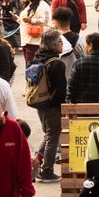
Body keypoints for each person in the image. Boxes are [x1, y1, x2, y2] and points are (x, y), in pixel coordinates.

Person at [32, 28, 67, 182]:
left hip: (40, 102)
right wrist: (63, 107)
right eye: (60, 41)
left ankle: (34, 163)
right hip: (53, 105)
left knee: (48, 134)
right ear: (53, 45)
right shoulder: (57, 63)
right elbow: (61, 90)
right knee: (53, 137)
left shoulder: (38, 57)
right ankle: (47, 170)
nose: (62, 44)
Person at [19, 0, 51, 66]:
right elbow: (24, 21)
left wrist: (32, 20)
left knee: (32, 67)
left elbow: (46, 21)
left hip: (35, 42)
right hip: (26, 40)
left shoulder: (43, 5)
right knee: (28, 65)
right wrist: (18, 19)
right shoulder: (30, 4)